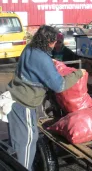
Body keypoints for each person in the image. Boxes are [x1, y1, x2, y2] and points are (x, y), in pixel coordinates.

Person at [6, 25, 85, 170]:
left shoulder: (29, 48)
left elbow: (34, 70)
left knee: (20, 140)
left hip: (13, 97)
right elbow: (59, 85)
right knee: (27, 143)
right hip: (23, 104)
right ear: (49, 41)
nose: (55, 44)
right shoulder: (42, 58)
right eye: (54, 41)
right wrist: (78, 73)